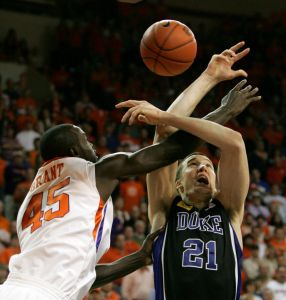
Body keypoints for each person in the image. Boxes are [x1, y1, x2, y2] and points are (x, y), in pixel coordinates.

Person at [0, 42, 253, 300]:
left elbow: (82, 278)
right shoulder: (103, 176)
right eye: (85, 140)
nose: (93, 147)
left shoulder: (30, 208)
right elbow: (169, 142)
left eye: (209, 165)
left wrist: (139, 258)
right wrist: (202, 105)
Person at [117, 41, 261, 299]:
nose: (202, 167)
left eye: (207, 165)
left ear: (217, 185)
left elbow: (234, 143)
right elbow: (165, 137)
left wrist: (164, 116)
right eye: (192, 164)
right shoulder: (164, 209)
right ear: (178, 184)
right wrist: (208, 77)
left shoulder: (229, 210)